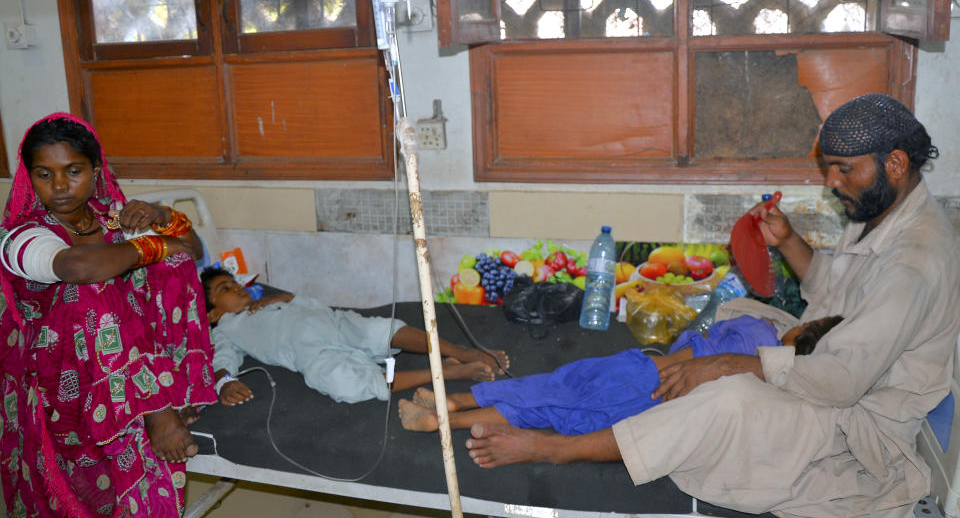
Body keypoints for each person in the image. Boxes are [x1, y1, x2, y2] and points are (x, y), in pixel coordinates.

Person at [463, 94, 960, 518]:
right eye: (829, 167)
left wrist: (727, 367)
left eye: (843, 169)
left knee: (726, 398)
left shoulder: (914, 264)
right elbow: (835, 290)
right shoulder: (878, 209)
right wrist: (788, 242)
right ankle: (656, 381)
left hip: (855, 418)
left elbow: (842, 380)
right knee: (742, 312)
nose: (832, 181)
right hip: (831, 356)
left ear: (895, 163)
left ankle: (557, 449)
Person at [0, 113, 217, 518]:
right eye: (45, 174)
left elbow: (191, 251)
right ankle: (156, 411)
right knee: (91, 289)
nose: (60, 186)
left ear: (96, 171)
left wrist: (163, 217)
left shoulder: (110, 218)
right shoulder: (21, 235)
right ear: (30, 179)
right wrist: (154, 247)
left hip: (122, 363)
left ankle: (172, 386)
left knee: (170, 266)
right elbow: (78, 267)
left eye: (74, 171)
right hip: (59, 377)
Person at [400, 314, 842, 433]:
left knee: (555, 388)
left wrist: (691, 344)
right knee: (560, 414)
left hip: (642, 369)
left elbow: (691, 336)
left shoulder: (756, 327)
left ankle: (454, 403)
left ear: (802, 328)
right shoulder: (771, 382)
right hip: (652, 406)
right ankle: (449, 417)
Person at [200, 267, 510, 405]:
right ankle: (450, 371)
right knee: (347, 384)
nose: (236, 287)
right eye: (224, 289)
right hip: (313, 354)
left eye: (234, 281)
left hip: (335, 324)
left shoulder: (268, 300)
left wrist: (282, 298)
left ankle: (462, 352)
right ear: (212, 313)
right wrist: (226, 382)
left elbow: (312, 305)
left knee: (381, 329)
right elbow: (222, 359)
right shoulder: (227, 329)